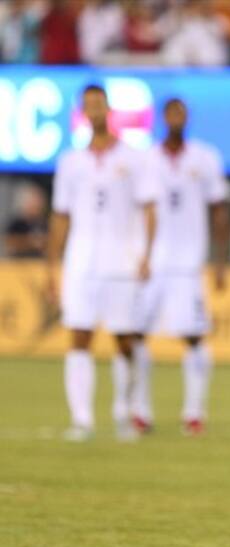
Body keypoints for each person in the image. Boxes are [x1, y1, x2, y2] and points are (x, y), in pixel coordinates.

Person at [46, 84, 156, 442]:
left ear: (108, 109)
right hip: (81, 261)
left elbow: (149, 209)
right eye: (88, 105)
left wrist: (146, 254)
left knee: (124, 340)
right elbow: (60, 217)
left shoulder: (134, 158)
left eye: (99, 104)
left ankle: (124, 412)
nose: (94, 110)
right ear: (82, 111)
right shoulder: (70, 162)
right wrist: (52, 266)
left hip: (122, 261)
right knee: (79, 336)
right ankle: (82, 420)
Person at [131, 98, 229, 436]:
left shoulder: (204, 158)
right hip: (155, 262)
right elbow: (143, 211)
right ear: (164, 117)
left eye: (181, 114)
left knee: (193, 336)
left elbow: (219, 209)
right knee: (137, 334)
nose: (176, 118)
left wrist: (220, 261)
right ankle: (140, 410)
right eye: (172, 113)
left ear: (186, 118)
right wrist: (140, 254)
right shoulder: (147, 159)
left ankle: (194, 412)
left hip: (188, 263)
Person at [4, 182, 48, 258]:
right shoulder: (16, 224)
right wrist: (30, 242)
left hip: (40, 263)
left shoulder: (45, 224)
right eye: (33, 202)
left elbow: (53, 241)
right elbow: (9, 243)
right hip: (19, 263)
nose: (36, 206)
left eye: (38, 202)